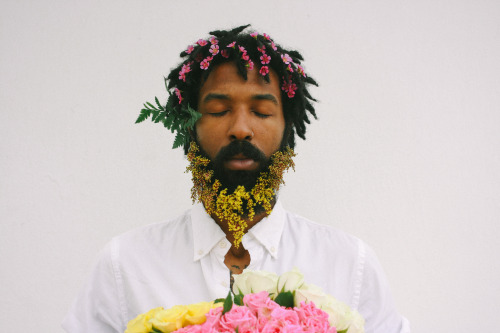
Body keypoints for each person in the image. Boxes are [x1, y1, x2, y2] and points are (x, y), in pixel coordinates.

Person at [62, 25, 410, 333]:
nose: (241, 128)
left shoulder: (350, 264)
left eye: (261, 111)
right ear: (189, 127)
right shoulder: (126, 264)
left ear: (288, 128)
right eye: (218, 110)